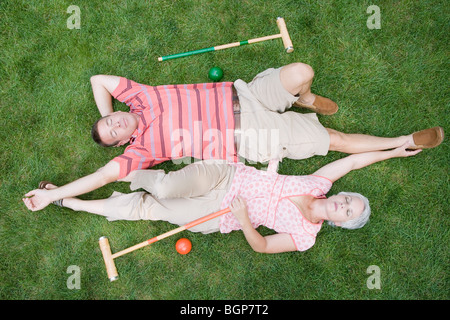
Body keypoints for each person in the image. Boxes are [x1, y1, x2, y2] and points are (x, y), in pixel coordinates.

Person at [22, 63, 444, 212]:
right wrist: (51, 195)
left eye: (111, 121)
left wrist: (107, 115)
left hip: (246, 93)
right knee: (334, 139)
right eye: (112, 134)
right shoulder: (143, 150)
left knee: (300, 72)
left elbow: (98, 78)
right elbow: (99, 179)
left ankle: (305, 96)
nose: (115, 127)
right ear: (120, 146)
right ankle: (402, 140)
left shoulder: (142, 98)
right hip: (252, 135)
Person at [25, 141, 423, 253]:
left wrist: (244, 218)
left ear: (340, 222)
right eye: (349, 200)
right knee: (161, 186)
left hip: (223, 213)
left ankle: (71, 201)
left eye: (348, 212)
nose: (344, 204)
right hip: (226, 175)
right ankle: (134, 169)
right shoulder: (319, 183)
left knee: (147, 209)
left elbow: (264, 245)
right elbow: (352, 164)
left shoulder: (306, 238)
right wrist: (395, 148)